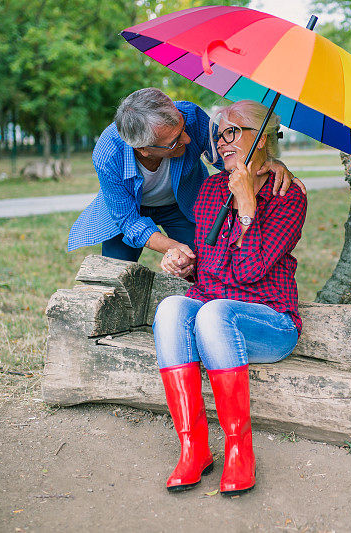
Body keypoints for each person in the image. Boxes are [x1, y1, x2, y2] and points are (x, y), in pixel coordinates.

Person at [152, 100, 307, 495]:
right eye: (220, 134)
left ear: (265, 138)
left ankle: (240, 452)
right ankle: (194, 448)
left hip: (270, 323)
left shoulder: (289, 196)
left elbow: (249, 271)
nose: (223, 142)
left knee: (214, 311)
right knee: (171, 308)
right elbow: (214, 270)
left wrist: (248, 208)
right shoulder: (209, 190)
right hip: (215, 312)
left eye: (234, 131)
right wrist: (188, 264)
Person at [67, 88, 302, 266]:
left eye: (183, 129)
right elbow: (129, 223)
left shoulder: (191, 115)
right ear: (144, 149)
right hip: (131, 209)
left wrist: (270, 161)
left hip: (181, 204)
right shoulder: (108, 154)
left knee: (202, 263)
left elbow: (230, 155)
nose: (187, 140)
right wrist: (174, 247)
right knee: (115, 270)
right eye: (175, 141)